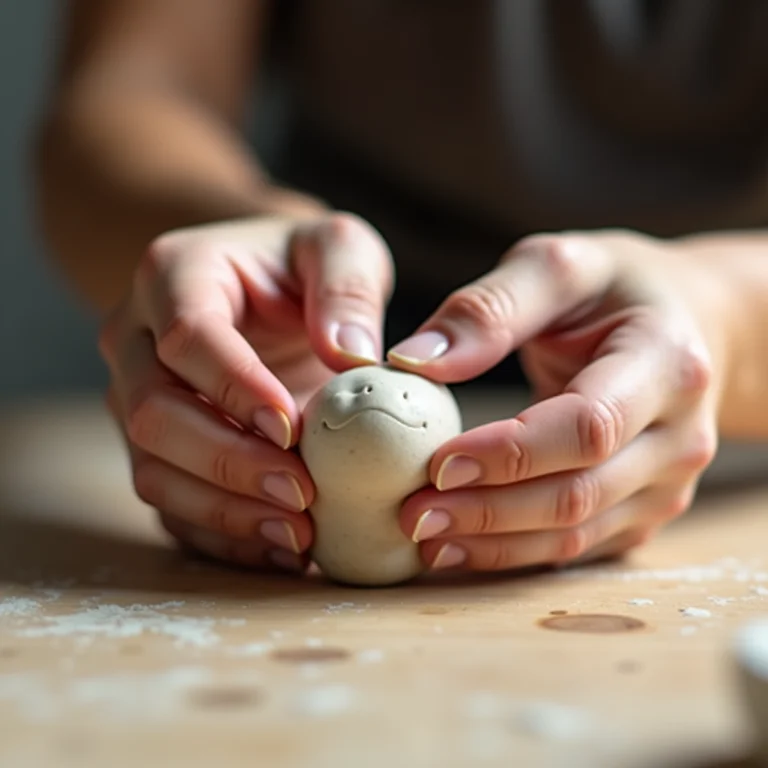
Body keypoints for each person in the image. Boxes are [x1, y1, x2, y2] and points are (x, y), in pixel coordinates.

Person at [34, 1, 768, 576]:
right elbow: (133, 88)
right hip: (312, 336)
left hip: (716, 361)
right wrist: (225, 243)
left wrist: (729, 322)